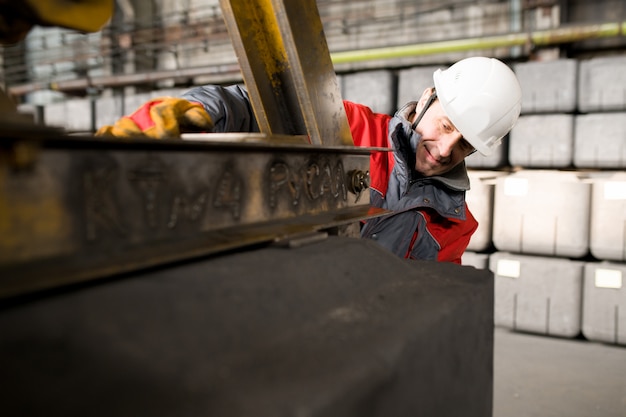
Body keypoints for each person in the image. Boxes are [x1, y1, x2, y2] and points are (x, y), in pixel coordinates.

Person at [97, 56, 522, 264]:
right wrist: (197, 113)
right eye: (446, 127)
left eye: (465, 145)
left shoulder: (454, 224)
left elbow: (428, 306)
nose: (446, 151)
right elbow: (248, 104)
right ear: (429, 100)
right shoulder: (348, 127)